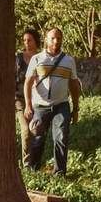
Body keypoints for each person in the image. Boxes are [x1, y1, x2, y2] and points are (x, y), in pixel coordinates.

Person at [22, 27, 82, 176]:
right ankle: (32, 172)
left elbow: (74, 86)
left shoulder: (68, 61)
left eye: (59, 38)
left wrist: (76, 109)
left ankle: (59, 174)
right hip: (40, 107)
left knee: (61, 137)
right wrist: (28, 105)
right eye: (53, 38)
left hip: (61, 105)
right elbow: (28, 83)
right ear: (46, 40)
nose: (56, 41)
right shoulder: (37, 59)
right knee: (38, 139)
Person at [15, 29, 42, 166]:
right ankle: (26, 165)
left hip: (38, 99)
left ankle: (35, 163)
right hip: (20, 100)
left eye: (29, 40)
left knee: (36, 131)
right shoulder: (18, 58)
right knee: (25, 130)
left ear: (36, 40)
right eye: (24, 40)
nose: (26, 43)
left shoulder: (42, 58)